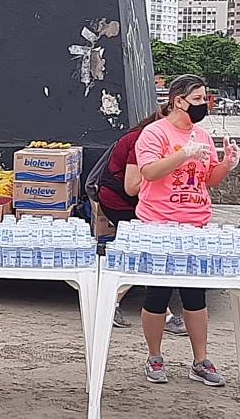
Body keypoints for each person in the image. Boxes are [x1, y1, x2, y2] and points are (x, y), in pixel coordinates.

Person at [134, 74, 240, 387]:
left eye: (205, 99)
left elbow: (208, 179)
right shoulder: (155, 133)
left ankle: (200, 359)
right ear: (178, 101)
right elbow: (148, 172)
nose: (202, 105)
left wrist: (227, 164)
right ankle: (154, 355)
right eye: (197, 99)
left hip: (196, 223)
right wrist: (184, 154)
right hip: (159, 223)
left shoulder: (202, 135)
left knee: (195, 293)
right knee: (158, 292)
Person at [96, 114, 187, 335]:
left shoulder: (148, 137)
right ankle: (162, 315)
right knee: (145, 252)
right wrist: (164, 170)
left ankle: (111, 304)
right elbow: (132, 186)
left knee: (141, 253)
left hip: (132, 202)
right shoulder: (144, 140)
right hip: (121, 202)